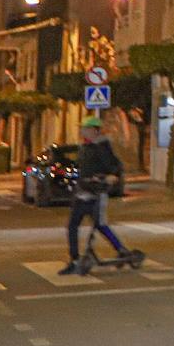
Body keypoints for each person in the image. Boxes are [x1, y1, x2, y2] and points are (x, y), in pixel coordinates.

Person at [62, 116, 128, 274]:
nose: (82, 131)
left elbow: (116, 166)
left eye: (86, 129)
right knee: (72, 226)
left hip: (97, 193)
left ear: (95, 130)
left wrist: (111, 176)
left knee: (100, 225)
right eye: (82, 128)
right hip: (82, 192)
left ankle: (121, 249)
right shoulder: (85, 147)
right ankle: (74, 259)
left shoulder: (102, 147)